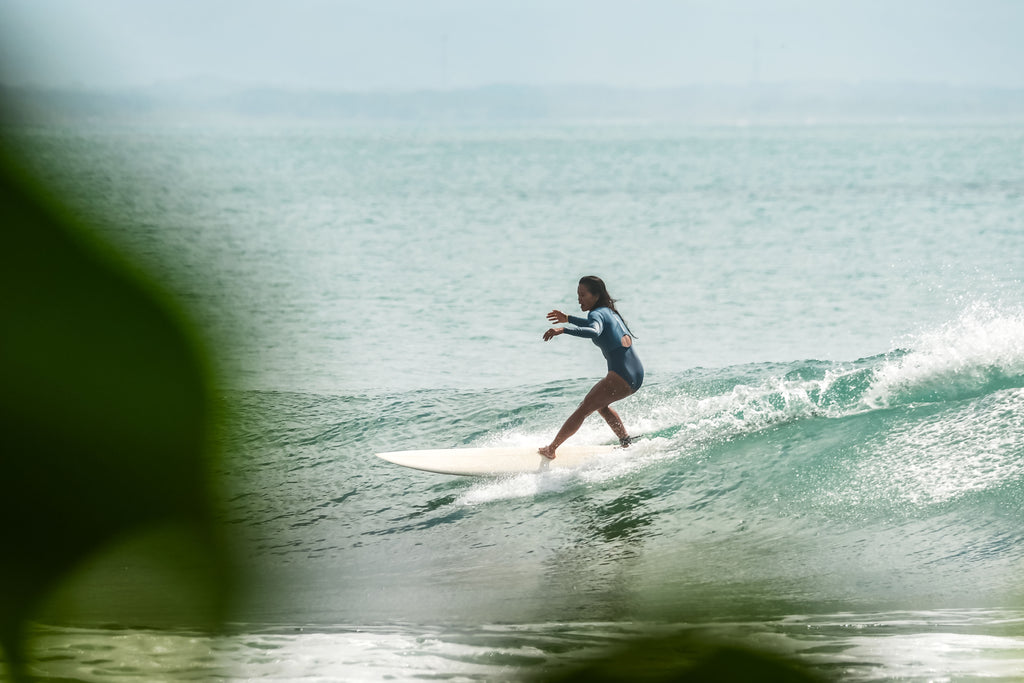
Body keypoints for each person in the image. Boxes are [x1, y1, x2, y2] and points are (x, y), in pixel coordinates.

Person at [539, 275, 644, 459]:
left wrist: (563, 329)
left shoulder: (596, 314)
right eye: (578, 295)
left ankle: (551, 449)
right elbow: (595, 324)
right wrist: (568, 318)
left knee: (584, 408)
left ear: (595, 295)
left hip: (620, 375)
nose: (579, 299)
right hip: (636, 373)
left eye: (582, 295)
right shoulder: (609, 311)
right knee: (601, 406)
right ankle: (626, 441)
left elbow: (594, 329)